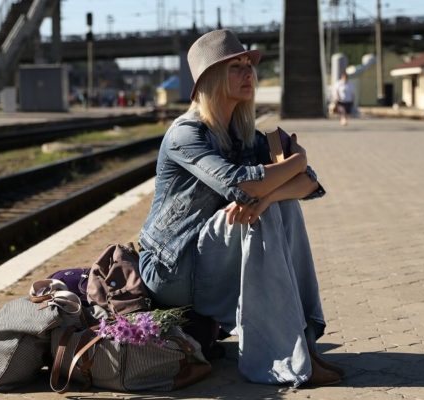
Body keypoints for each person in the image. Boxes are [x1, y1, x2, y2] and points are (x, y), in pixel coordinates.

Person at [138, 29, 342, 387]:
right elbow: (241, 184)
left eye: (249, 65)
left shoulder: (246, 134)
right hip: (172, 269)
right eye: (235, 67)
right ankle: (282, 357)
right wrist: (293, 164)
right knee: (261, 211)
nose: (248, 73)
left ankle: (301, 346)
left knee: (277, 207)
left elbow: (308, 183)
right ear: (211, 79)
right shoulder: (186, 134)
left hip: (211, 260)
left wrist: (268, 195)